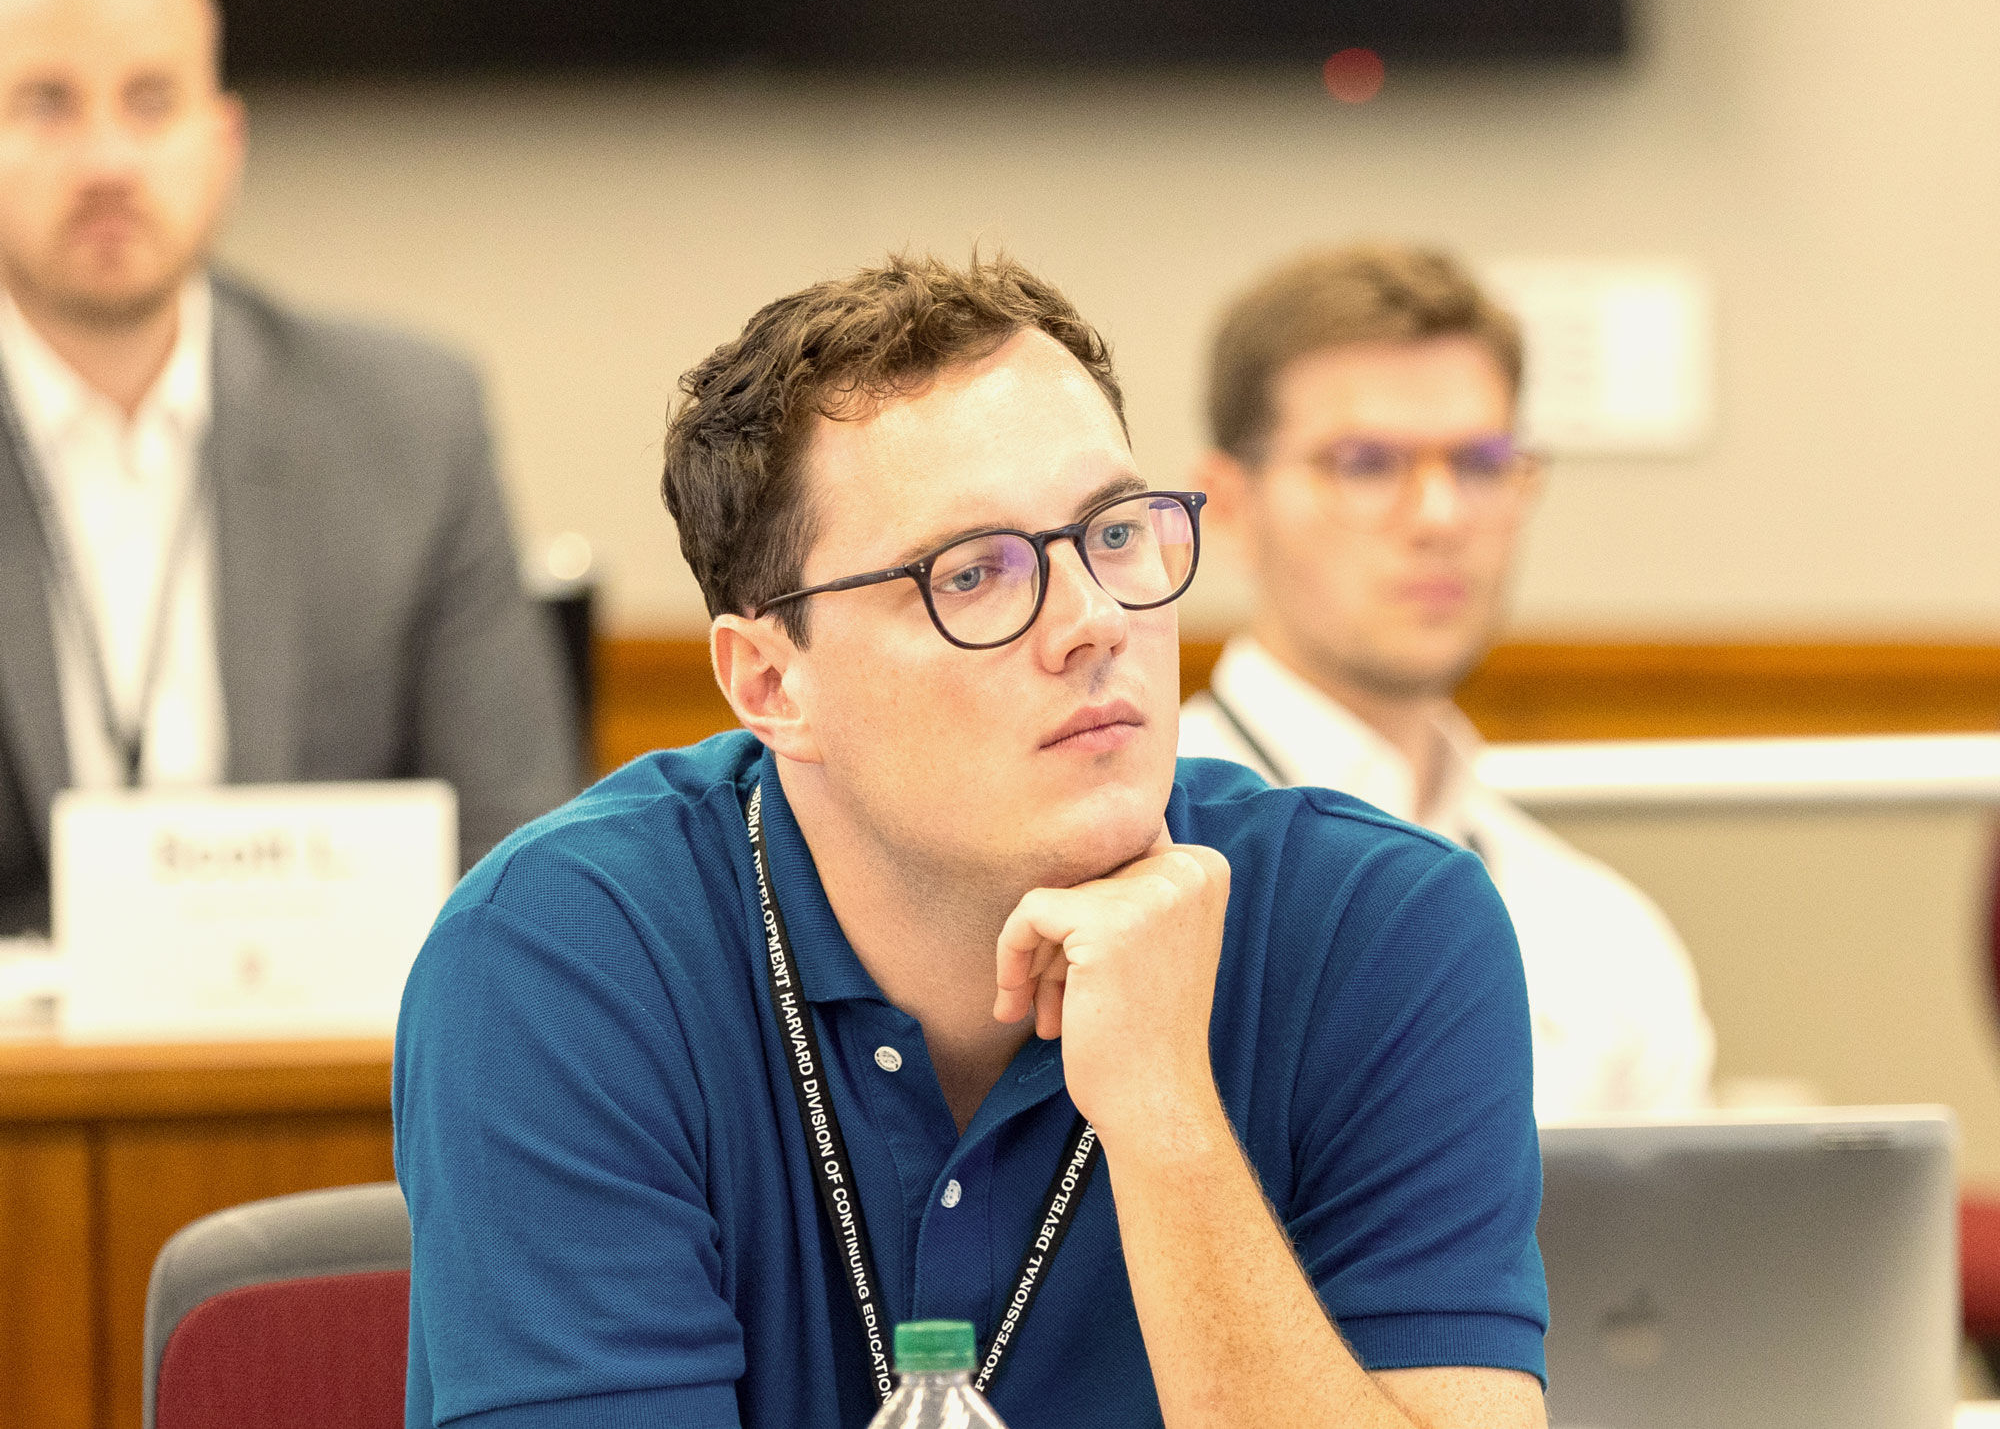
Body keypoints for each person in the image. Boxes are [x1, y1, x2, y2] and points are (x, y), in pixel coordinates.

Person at [395, 255, 1549, 1429]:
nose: (1094, 621)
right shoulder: (560, 962)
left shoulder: (1381, 928)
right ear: (770, 683)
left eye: (1111, 534)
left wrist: (1163, 1118)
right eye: (972, 574)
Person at [0, 0, 576, 932]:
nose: (105, 159)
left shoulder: (409, 425)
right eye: (46, 103)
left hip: (332, 1070)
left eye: (150, 101)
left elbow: (517, 848)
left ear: (222, 142)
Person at [1180, 243, 1713, 1119]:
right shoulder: (1121, 856)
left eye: (1479, 464)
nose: (1440, 516)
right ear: (1230, 507)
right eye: (1365, 464)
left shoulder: (1608, 944)